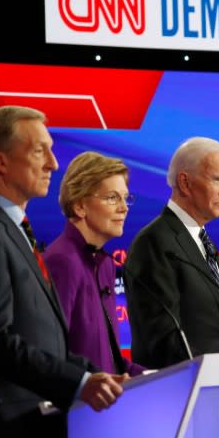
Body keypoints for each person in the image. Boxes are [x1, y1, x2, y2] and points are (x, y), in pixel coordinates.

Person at [0, 106, 127, 438]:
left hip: (36, 429)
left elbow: (41, 338)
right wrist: (79, 382)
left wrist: (94, 374)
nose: (54, 164)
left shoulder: (14, 229)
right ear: (0, 161)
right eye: (40, 151)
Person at [125, 137, 219, 369]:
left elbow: (213, 335)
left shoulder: (202, 240)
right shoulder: (155, 242)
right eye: (217, 179)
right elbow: (164, 339)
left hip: (210, 387)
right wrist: (217, 371)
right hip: (176, 392)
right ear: (185, 183)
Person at [44, 151, 145, 377]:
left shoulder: (105, 264)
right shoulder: (61, 261)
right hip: (78, 405)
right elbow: (52, 355)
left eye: (125, 198)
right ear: (80, 206)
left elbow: (112, 362)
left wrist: (158, 378)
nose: (124, 207)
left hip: (106, 404)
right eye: (112, 198)